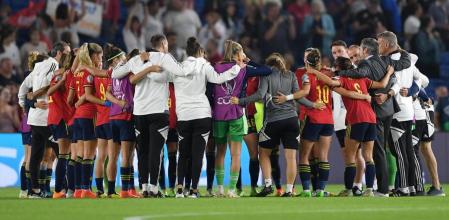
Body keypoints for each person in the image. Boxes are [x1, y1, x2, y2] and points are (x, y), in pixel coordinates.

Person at [165, 37, 243, 198]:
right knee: (198, 155)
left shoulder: (178, 68)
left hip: (184, 115)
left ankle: (180, 189)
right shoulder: (204, 66)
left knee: (184, 154)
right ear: (200, 52)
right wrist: (237, 68)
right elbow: (219, 78)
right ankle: (194, 190)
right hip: (202, 114)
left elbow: (163, 78)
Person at [336, 37, 412, 197]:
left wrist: (340, 72)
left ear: (364, 50)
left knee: (375, 152)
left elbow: (360, 74)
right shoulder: (386, 60)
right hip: (389, 109)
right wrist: (398, 48)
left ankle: (382, 189)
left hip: (372, 111)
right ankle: (381, 187)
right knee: (381, 151)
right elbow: (406, 61)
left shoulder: (365, 65)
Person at [232, 53, 311, 197]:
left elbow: (259, 95)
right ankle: (288, 190)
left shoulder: (266, 75)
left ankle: (268, 185)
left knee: (263, 153)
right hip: (292, 120)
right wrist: (313, 105)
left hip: (274, 121)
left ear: (269, 65)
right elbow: (299, 97)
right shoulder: (292, 75)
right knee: (291, 157)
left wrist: (241, 101)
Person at [313, 56, 394, 197]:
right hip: (371, 118)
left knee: (350, 157)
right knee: (369, 156)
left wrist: (313, 71)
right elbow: (382, 85)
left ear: (338, 68)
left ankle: (349, 189)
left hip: (356, 119)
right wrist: (389, 73)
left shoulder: (342, 80)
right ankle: (369, 189)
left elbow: (330, 82)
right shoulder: (363, 79)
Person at [124, 34, 192, 197]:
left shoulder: (138, 60)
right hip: (158, 111)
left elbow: (125, 77)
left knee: (143, 152)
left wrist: (144, 64)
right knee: (156, 151)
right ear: (163, 44)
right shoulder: (165, 59)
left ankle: (144, 187)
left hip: (140, 112)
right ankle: (154, 187)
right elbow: (178, 75)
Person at [212, 40, 272, 198]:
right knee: (236, 154)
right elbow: (267, 70)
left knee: (220, 153)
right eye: (242, 52)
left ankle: (219, 189)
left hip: (218, 114)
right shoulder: (244, 70)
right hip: (236, 114)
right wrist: (249, 61)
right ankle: (232, 190)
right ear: (238, 54)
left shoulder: (216, 67)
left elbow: (210, 90)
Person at [18, 41, 69, 198]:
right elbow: (50, 84)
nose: (68, 56)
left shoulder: (38, 66)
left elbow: (23, 88)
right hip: (47, 118)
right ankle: (64, 189)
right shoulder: (54, 65)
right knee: (62, 153)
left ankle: (35, 190)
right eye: (66, 52)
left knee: (36, 155)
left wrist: (28, 106)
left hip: (34, 119)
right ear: (59, 53)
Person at [67, 43, 103, 199]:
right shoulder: (90, 74)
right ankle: (85, 189)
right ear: (94, 56)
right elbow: (89, 95)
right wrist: (104, 102)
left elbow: (69, 100)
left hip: (77, 117)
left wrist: (78, 102)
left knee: (80, 154)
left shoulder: (77, 74)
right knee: (90, 153)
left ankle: (77, 189)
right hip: (90, 115)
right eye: (100, 56)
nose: (101, 59)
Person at [330, 40, 365, 195]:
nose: (337, 54)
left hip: (353, 117)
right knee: (347, 154)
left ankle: (358, 185)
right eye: (334, 52)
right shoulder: (334, 72)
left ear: (346, 51)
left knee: (357, 154)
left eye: (339, 51)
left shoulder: (358, 70)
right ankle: (352, 185)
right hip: (338, 121)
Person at [46, 51, 75, 199]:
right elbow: (51, 92)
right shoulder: (65, 74)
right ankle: (61, 190)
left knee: (63, 155)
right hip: (62, 117)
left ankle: (63, 189)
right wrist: (62, 81)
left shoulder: (57, 74)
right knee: (65, 155)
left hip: (54, 117)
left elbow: (49, 91)